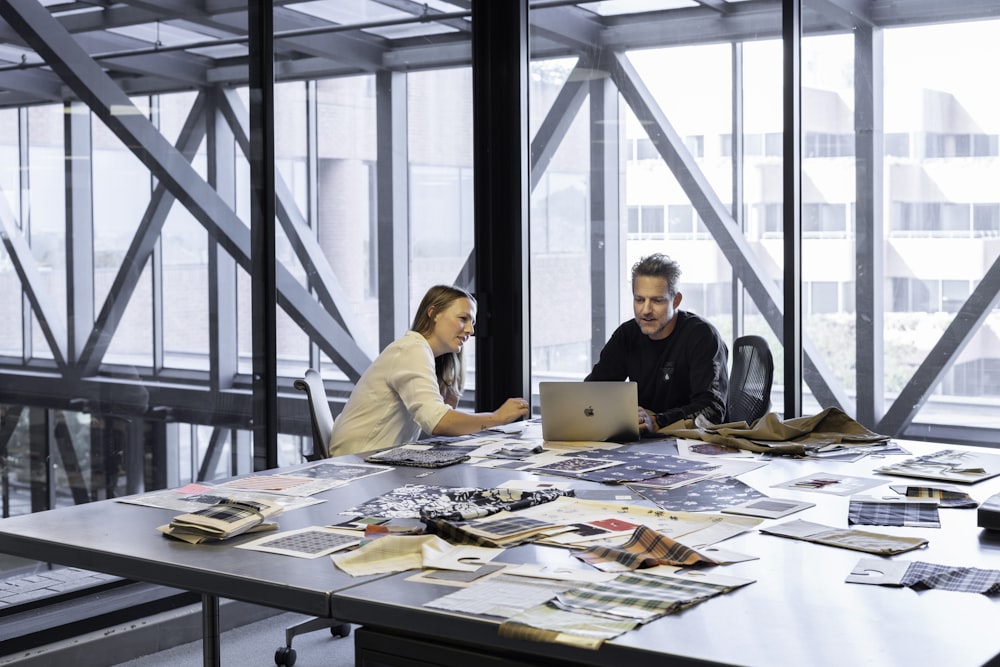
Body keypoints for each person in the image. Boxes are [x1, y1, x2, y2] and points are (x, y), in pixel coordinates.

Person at [328, 284, 530, 455]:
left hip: (376, 458)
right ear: (433, 313)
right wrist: (497, 418)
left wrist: (452, 372)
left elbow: (438, 421)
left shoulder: (423, 354)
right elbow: (437, 423)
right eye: (463, 319)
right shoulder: (411, 350)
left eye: (473, 323)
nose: (471, 330)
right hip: (359, 461)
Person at [585, 253, 728, 434]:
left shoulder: (702, 336)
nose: (646, 310)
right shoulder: (627, 335)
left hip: (694, 444)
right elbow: (592, 392)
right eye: (639, 300)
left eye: (657, 300)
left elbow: (712, 409)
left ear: (676, 300)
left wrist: (657, 421)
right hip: (644, 442)